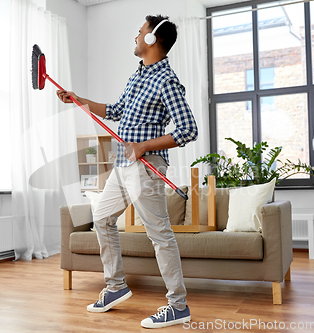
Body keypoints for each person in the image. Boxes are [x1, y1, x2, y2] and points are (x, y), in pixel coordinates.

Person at [56, 15, 198, 329]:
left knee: (160, 236)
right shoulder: (138, 75)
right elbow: (117, 110)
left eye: (140, 32)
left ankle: (178, 305)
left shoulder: (166, 80)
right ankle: (116, 286)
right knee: (103, 218)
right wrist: (79, 100)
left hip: (145, 168)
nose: (135, 37)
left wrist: (144, 146)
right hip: (123, 165)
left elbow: (188, 129)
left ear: (151, 40)